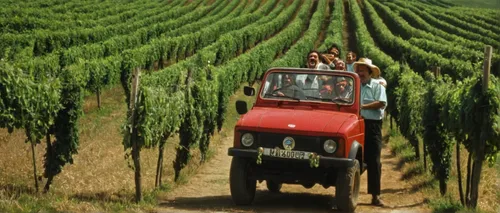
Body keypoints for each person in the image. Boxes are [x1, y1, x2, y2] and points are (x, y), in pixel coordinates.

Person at [353, 58, 387, 206]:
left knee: (374, 160)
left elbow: (381, 103)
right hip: (356, 124)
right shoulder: (354, 86)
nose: (360, 73)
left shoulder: (378, 86)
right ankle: (346, 192)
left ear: (369, 72)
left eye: (363, 70)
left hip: (372, 125)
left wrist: (362, 107)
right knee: (352, 158)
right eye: (358, 70)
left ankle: (375, 196)